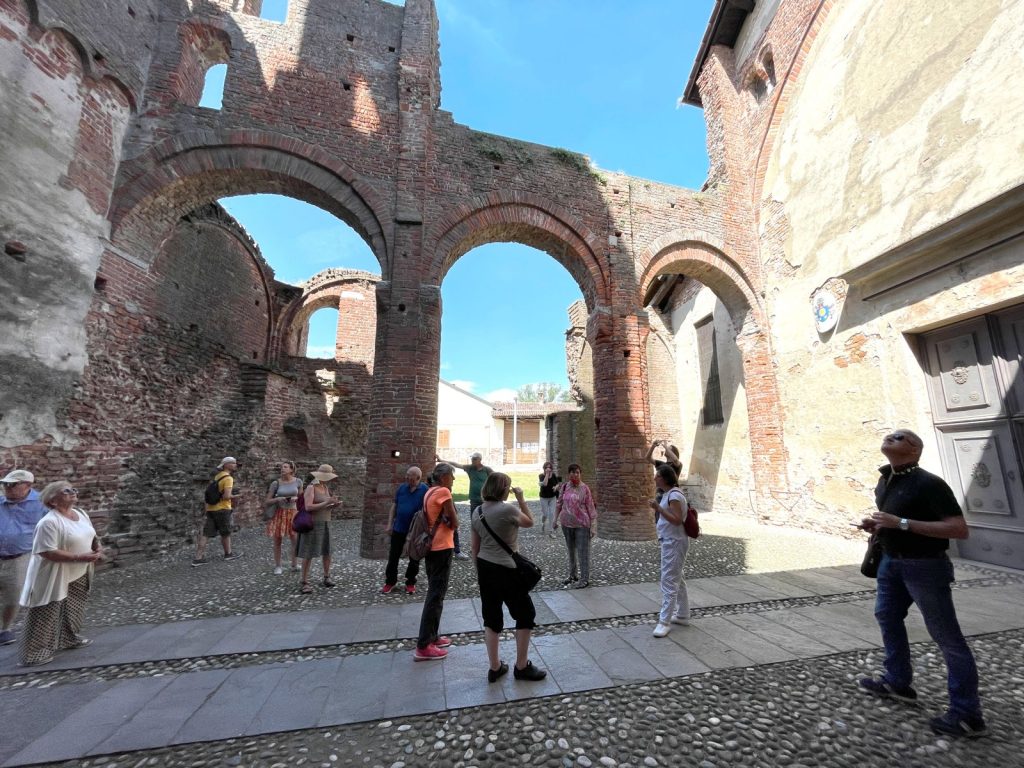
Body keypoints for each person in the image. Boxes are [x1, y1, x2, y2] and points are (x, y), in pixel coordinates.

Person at [858, 429, 986, 738]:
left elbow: (958, 529)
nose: (890, 437)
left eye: (899, 436)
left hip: (924, 566)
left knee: (947, 637)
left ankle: (968, 715)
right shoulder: (886, 479)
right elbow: (892, 520)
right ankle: (897, 681)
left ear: (914, 449)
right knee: (886, 616)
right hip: (890, 560)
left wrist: (900, 524)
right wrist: (877, 525)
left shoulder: (929, 483)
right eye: (888, 435)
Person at [471, 472, 547, 682]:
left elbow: (474, 548)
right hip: (507, 569)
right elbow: (529, 522)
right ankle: (521, 666)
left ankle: (495, 667)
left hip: (486, 569)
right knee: (524, 614)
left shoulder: (477, 511)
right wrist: (521, 498)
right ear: (504, 489)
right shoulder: (507, 509)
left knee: (491, 618)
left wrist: (480, 574)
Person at [18, 481, 103, 666]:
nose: (73, 492)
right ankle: (34, 653)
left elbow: (91, 534)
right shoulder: (48, 523)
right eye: (66, 491)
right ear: (53, 501)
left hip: (79, 570)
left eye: (74, 489)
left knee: (73, 605)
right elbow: (46, 551)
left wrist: (97, 546)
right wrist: (79, 556)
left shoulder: (80, 514)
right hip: (54, 572)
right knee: (46, 610)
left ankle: (67, 638)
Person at [413, 463, 458, 661]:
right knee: (435, 595)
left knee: (436, 592)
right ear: (444, 477)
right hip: (441, 548)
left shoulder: (429, 492)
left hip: (431, 548)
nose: (454, 480)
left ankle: (433, 636)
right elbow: (455, 522)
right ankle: (424, 645)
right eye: (452, 476)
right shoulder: (444, 493)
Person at [0, 469, 48, 646]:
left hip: (19, 556)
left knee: (13, 595)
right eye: (5, 484)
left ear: (28, 485)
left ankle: (5, 628)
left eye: (13, 484)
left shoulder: (42, 503)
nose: (7, 488)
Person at [648, 465, 691, 637]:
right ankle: (682, 614)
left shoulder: (673, 495)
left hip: (674, 542)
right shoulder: (670, 494)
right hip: (671, 541)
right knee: (677, 579)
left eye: (657, 475)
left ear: (665, 478)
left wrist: (658, 508)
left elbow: (676, 520)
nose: (654, 478)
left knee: (668, 581)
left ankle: (664, 621)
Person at [435, 451, 492, 560]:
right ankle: (477, 545)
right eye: (472, 459)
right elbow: (456, 464)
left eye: (474, 459)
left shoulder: (486, 470)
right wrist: (442, 460)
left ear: (479, 460)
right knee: (475, 523)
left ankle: (485, 545)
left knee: (486, 522)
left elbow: (496, 478)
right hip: (474, 501)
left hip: (485, 501)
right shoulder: (470, 468)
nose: (472, 461)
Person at [381, 466, 427, 595]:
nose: (407, 477)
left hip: (415, 531)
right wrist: (390, 524)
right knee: (393, 556)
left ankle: (410, 582)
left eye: (410, 475)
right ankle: (390, 582)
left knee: (414, 558)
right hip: (399, 528)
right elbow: (394, 506)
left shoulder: (425, 490)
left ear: (418, 478)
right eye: (406, 474)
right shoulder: (402, 488)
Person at [297, 464, 340, 594]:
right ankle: (304, 581)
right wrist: (327, 502)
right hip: (313, 523)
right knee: (308, 553)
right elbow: (309, 507)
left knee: (327, 551)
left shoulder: (324, 487)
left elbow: (324, 506)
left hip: (326, 522)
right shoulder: (311, 487)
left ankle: (326, 577)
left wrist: (333, 505)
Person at [193, 457, 242, 566]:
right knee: (225, 532)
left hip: (211, 508)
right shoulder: (228, 478)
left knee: (206, 533)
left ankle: (198, 558)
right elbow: (226, 496)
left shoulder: (218, 476)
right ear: (226, 465)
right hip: (223, 508)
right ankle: (228, 554)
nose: (235, 465)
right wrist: (237, 496)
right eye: (233, 463)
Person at [554, 463, 597, 589]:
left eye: (577, 472)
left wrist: (593, 526)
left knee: (583, 552)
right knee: (571, 550)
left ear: (580, 474)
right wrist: (555, 520)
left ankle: (585, 579)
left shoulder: (585, 489)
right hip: (566, 524)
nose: (575, 474)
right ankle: (573, 575)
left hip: (582, 524)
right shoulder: (565, 487)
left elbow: (590, 507)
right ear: (569, 474)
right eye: (572, 472)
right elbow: (559, 503)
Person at [265, 461, 302, 575]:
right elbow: (267, 501)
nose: (282, 469)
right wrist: (277, 499)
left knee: (295, 540)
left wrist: (295, 498)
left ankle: (294, 564)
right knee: (277, 540)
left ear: (291, 469)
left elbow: (302, 498)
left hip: (293, 513)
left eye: (285, 467)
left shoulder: (298, 481)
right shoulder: (276, 483)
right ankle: (278, 566)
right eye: (281, 467)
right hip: (279, 513)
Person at [537, 462, 560, 536]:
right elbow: (545, 484)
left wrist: (556, 487)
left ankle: (551, 531)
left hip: (552, 497)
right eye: (546, 467)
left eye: (550, 467)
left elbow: (557, 483)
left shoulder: (553, 475)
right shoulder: (541, 476)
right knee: (545, 514)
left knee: (552, 513)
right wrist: (546, 474)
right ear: (544, 468)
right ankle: (543, 523)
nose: (548, 469)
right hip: (544, 497)